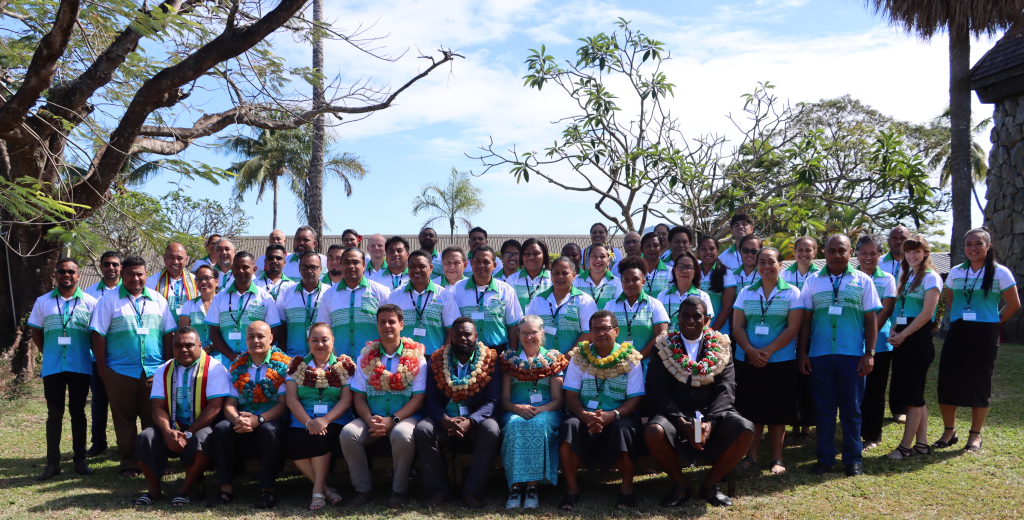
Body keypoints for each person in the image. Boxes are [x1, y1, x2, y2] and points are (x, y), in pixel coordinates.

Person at [646, 297, 753, 507]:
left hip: (712, 412)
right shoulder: (662, 347)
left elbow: (726, 388)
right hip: (675, 413)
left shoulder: (721, 346)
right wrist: (681, 422)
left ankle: (710, 485)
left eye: (696, 316)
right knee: (653, 431)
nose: (690, 320)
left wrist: (711, 422)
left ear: (706, 319)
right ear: (678, 318)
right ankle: (681, 485)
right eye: (685, 315)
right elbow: (657, 390)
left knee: (745, 429)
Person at [798, 234, 880, 477]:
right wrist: (803, 352)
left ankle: (853, 459)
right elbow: (805, 320)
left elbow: (871, 319)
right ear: (824, 252)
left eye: (841, 250)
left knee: (851, 410)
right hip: (820, 355)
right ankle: (825, 459)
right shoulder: (812, 281)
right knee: (824, 411)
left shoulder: (863, 280)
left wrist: (870, 352)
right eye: (831, 250)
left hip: (852, 355)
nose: (836, 255)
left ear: (850, 252)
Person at [89, 255, 178, 477]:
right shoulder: (108, 300)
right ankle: (129, 462)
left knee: (155, 418)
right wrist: (103, 370)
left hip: (154, 371)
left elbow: (168, 334)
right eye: (130, 274)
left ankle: (156, 460)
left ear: (146, 275)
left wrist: (168, 367)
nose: (135, 278)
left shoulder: (158, 300)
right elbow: (98, 335)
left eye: (139, 274)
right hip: (119, 372)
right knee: (124, 420)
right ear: (122, 275)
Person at [933, 228, 1020, 452]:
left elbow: (1014, 304)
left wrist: (992, 321)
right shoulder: (955, 272)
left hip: (985, 334)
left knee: (979, 383)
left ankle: (975, 435)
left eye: (978, 243)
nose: (973, 248)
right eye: (968, 244)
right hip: (958, 331)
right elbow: (951, 301)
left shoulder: (1000, 272)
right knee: (947, 381)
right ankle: (949, 432)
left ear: (988, 246)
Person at [131, 327, 230, 506]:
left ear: (200, 345)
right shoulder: (163, 369)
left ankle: (184, 490)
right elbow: (157, 406)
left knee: (202, 440)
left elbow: (215, 407)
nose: (183, 349)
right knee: (146, 437)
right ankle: (154, 492)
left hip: (202, 425)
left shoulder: (215, 368)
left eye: (189, 345)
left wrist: (189, 433)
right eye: (178, 346)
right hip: (173, 426)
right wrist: (167, 432)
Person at [342, 304, 428, 508]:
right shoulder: (364, 357)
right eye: (382, 322)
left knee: (402, 434)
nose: (387, 326)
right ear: (377, 325)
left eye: (392, 322)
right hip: (373, 418)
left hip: (405, 418)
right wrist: (369, 420)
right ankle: (363, 490)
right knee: (348, 433)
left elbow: (418, 398)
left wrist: (394, 419)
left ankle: (399, 491)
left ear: (401, 325)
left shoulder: (417, 357)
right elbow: (359, 397)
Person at [559, 311, 644, 510]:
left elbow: (636, 399)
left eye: (605, 328)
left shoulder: (631, 358)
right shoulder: (579, 357)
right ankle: (571, 490)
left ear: (616, 331)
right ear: (589, 333)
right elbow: (571, 396)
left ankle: (627, 490)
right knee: (569, 426)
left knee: (623, 429)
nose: (600, 333)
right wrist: (584, 415)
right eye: (595, 329)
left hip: (619, 415)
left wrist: (613, 415)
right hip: (585, 415)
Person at [730, 248, 803, 476]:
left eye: (771, 261)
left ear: (780, 264)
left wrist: (768, 351)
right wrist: (751, 351)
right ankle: (750, 456)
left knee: (777, 410)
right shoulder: (746, 292)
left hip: (780, 360)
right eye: (761, 262)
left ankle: (777, 458)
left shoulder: (792, 292)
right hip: (748, 359)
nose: (766, 266)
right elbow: (737, 326)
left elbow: (793, 327)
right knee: (751, 409)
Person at [415, 318, 501, 509]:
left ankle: (472, 492)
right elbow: (431, 399)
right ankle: (438, 492)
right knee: (423, 430)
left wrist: (471, 421)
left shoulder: (490, 360)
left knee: (491, 430)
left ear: (476, 336)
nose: (462, 338)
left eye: (467, 334)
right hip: (445, 422)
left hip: (476, 422)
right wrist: (444, 420)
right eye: (457, 334)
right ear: (451, 337)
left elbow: (492, 401)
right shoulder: (436, 360)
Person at [29, 257, 99, 480]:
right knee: (54, 414)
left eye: (71, 271)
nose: (66, 275)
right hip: (53, 367)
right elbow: (36, 332)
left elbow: (96, 336)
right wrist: (49, 353)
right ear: (56, 275)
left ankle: (80, 460)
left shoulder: (90, 302)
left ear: (78, 275)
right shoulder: (43, 302)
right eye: (62, 271)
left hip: (80, 366)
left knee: (78, 412)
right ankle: (52, 463)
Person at [207, 321, 291, 509]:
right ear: (245, 340)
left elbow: (284, 405)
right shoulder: (237, 366)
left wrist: (258, 419)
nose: (255, 341)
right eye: (251, 337)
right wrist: (236, 419)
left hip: (271, 419)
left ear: (271, 338)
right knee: (222, 428)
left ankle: (267, 490)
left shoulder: (284, 366)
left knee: (268, 430)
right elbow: (229, 404)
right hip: (243, 420)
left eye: (261, 336)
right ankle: (226, 489)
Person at [498, 315, 568, 509]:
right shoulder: (509, 360)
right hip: (515, 411)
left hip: (547, 411)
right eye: (524, 333)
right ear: (518, 335)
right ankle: (514, 487)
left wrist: (540, 410)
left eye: (533, 332)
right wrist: (516, 408)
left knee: (538, 424)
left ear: (542, 333)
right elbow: (504, 401)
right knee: (514, 425)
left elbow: (558, 400)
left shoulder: (553, 359)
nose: (529, 337)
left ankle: (532, 487)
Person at [284, 322, 356, 510]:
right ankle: (327, 489)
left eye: (325, 339)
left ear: (333, 341)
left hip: (335, 419)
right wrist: (308, 422)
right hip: (303, 419)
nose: (320, 344)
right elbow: (291, 399)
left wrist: (325, 420)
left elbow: (346, 400)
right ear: (308, 342)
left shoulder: (344, 365)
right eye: (315, 340)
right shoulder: (296, 365)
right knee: (294, 442)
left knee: (319, 438)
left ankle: (317, 491)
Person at [886, 235, 942, 460]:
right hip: (903, 338)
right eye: (908, 251)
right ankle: (921, 444)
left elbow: (927, 313)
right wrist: (893, 330)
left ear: (925, 253)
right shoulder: (906, 275)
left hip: (917, 341)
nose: (912, 255)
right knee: (915, 395)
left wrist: (904, 335)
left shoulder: (931, 277)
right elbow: (899, 308)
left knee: (913, 398)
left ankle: (905, 447)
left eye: (916, 251)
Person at [855, 234, 898, 450]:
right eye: (864, 252)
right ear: (856, 254)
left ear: (880, 255)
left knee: (874, 390)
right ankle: (854, 432)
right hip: (852, 343)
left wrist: (867, 334)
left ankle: (872, 435)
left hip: (879, 344)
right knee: (855, 391)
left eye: (873, 253)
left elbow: (887, 309)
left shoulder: (887, 279)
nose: (868, 257)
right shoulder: (849, 278)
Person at [205, 252, 283, 366]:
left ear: (254, 269)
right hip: (225, 362)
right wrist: (232, 357)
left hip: (256, 363)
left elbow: (275, 330)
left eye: (245, 267)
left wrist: (253, 354)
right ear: (232, 269)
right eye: (236, 267)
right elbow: (213, 332)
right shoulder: (219, 297)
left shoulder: (265, 298)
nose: (240, 271)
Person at [317, 247, 393, 359]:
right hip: (339, 364)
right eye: (346, 262)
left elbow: (391, 328)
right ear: (341, 265)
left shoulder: (381, 292)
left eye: (356, 262)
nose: (351, 266)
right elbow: (323, 330)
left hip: (374, 362)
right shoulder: (329, 295)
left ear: (364, 265)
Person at [443, 245, 522, 353]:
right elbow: (451, 325)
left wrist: (512, 354)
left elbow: (513, 325)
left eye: (486, 262)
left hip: (498, 353)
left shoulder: (506, 290)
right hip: (466, 353)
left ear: (494, 265)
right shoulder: (457, 289)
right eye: (477, 261)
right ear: (471, 263)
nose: (481, 265)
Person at [781, 236, 819, 445]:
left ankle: (806, 428)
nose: (804, 254)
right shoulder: (784, 275)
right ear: (794, 252)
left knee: (809, 382)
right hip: (789, 336)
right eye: (800, 250)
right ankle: (793, 427)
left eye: (808, 250)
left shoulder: (821, 275)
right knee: (792, 383)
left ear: (815, 252)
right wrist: (792, 333)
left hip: (813, 335)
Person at [84, 250, 121, 457]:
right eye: (107, 264)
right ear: (101, 267)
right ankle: (98, 442)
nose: (111, 268)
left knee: (123, 402)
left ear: (121, 267)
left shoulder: (129, 290)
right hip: (96, 357)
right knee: (99, 401)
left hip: (122, 358)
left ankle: (125, 443)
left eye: (115, 264)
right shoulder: (89, 294)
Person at [524, 257, 598, 354]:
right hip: (542, 360)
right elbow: (527, 329)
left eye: (565, 273)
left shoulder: (585, 300)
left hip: (575, 361)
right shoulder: (538, 300)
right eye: (556, 273)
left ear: (574, 275)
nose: (560, 276)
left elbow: (588, 333)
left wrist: (567, 358)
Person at [605, 256, 669, 367]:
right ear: (621, 281)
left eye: (635, 279)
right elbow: (605, 333)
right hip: (616, 365)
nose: (630, 283)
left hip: (647, 365)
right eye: (626, 280)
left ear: (643, 281)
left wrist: (637, 358)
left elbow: (661, 336)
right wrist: (618, 359)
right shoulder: (610, 305)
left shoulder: (655, 305)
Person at [385, 251, 450, 354]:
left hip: (433, 358)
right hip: (403, 358)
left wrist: (442, 357)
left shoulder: (444, 295)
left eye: (422, 266)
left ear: (431, 268)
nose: (416, 270)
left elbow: (451, 331)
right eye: (412, 266)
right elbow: (388, 328)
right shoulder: (395, 295)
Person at [276, 251, 328, 357]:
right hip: (292, 357)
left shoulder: (328, 293)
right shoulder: (286, 293)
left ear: (320, 269)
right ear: (299, 268)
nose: (309, 271)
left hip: (322, 358)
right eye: (305, 267)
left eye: (313, 267)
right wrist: (283, 356)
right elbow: (281, 328)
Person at [657, 251, 714, 331]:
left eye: (689, 267)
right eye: (681, 266)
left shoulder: (703, 296)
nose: (684, 270)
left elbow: (706, 322)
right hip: (668, 338)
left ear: (695, 272)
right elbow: (658, 323)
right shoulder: (662, 296)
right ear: (674, 269)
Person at [146, 243, 197, 321]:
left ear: (186, 260)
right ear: (164, 258)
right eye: (171, 257)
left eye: (180, 258)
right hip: (163, 327)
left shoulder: (196, 281)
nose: (175, 262)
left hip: (190, 327)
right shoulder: (151, 282)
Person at [698, 236, 737, 335]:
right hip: (694, 330)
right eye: (703, 249)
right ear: (698, 251)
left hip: (718, 331)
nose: (708, 252)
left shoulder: (726, 273)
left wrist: (710, 332)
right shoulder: (693, 272)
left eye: (711, 248)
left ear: (717, 251)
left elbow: (727, 308)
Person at [178, 264, 220, 355]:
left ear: (217, 281)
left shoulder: (225, 304)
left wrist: (209, 349)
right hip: (196, 357)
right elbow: (183, 335)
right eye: (199, 279)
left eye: (207, 278)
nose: (203, 282)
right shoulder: (189, 305)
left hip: (222, 356)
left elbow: (228, 333)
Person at [507, 238, 552, 310]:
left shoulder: (553, 278)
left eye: (536, 253)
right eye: (527, 254)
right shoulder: (512, 279)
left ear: (544, 256)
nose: (531, 257)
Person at [574, 242, 621, 310]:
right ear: (588, 259)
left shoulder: (616, 282)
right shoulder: (577, 281)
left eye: (602, 256)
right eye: (594, 256)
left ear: (608, 261)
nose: (598, 259)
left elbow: (618, 308)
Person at [641, 232, 672, 297]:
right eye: (648, 246)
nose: (652, 249)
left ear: (661, 249)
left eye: (655, 246)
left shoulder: (671, 272)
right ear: (641, 249)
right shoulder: (634, 272)